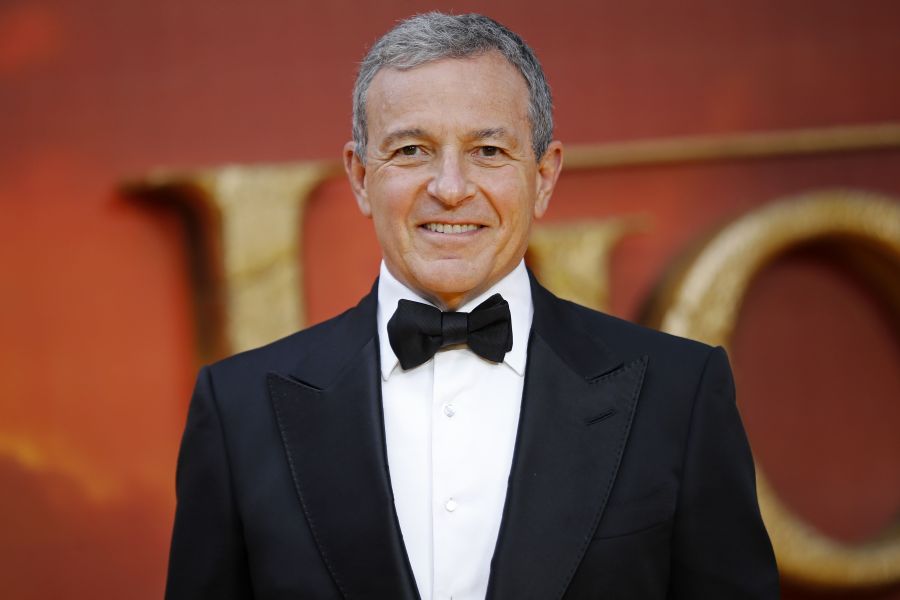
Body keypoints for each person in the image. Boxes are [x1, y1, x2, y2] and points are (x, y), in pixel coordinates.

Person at [165, 12, 779, 600]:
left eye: (488, 151)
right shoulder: (237, 410)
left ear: (543, 177)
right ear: (359, 176)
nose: (451, 189)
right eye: (411, 151)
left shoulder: (681, 395)